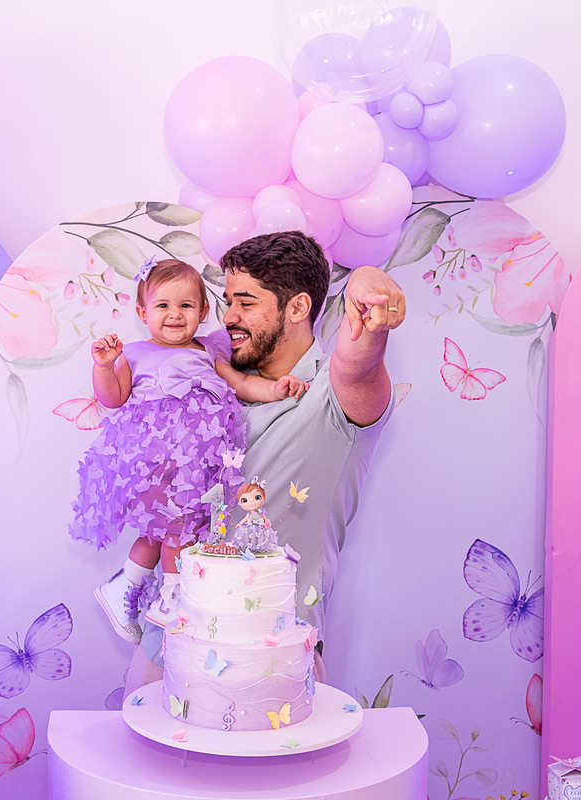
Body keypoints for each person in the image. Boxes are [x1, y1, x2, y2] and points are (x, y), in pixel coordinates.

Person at [127, 230, 405, 693]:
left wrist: (367, 282)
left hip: (271, 668)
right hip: (165, 646)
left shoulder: (333, 399)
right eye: (225, 301)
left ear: (297, 308)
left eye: (245, 302)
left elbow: (359, 361)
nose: (227, 317)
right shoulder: (211, 378)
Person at [70, 257, 308, 644]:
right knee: (175, 529)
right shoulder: (134, 353)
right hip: (154, 462)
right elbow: (112, 399)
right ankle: (172, 599)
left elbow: (241, 386)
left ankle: (125, 585)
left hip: (197, 470)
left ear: (202, 311)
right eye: (163, 305)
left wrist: (276, 388)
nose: (175, 314)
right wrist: (103, 366)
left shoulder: (209, 352)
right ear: (141, 311)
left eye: (186, 306)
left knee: (167, 531)